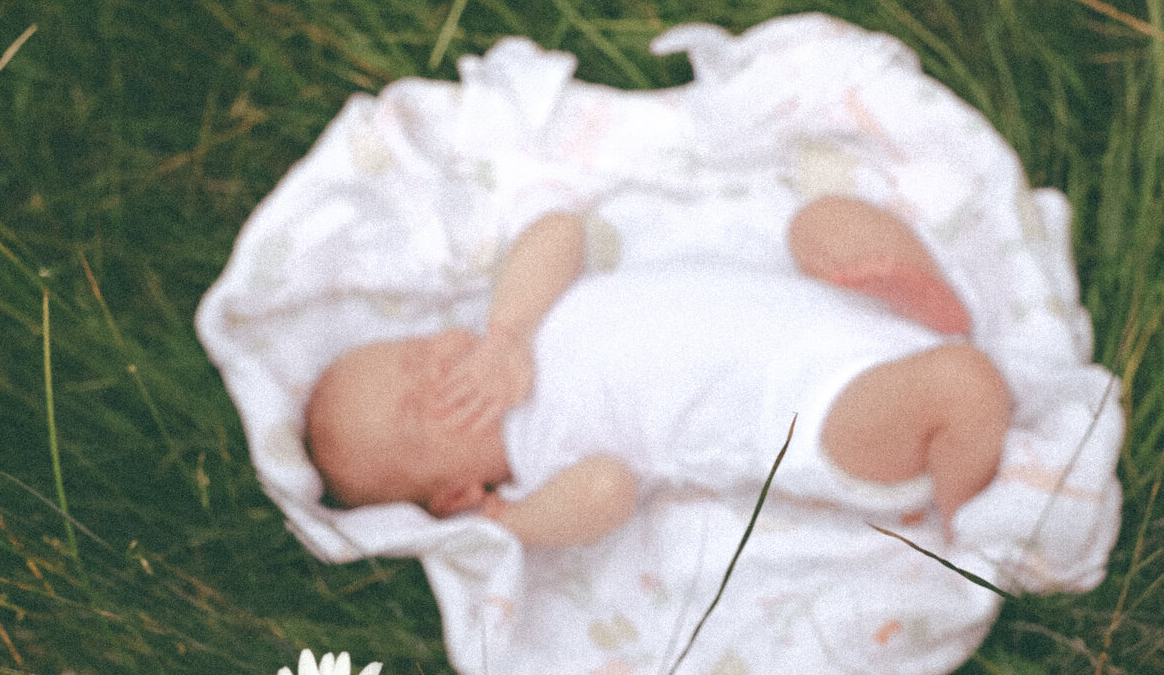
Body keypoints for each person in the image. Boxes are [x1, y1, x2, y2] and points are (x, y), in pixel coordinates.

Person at [304, 197, 1011, 549]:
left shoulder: (519, 321)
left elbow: (559, 229)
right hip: (820, 412)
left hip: (837, 311)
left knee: (823, 221)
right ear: (458, 491)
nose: (431, 369)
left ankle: (921, 307)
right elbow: (606, 491)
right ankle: (970, 519)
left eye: (412, 352)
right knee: (966, 382)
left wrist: (510, 333)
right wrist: (518, 520)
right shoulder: (539, 455)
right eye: (417, 410)